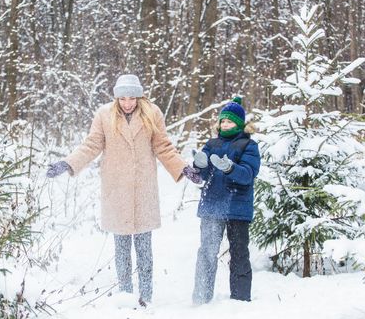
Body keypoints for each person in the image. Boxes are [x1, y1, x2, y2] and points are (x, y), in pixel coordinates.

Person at [46, 74, 201, 307]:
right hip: (116, 190)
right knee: (121, 251)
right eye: (123, 98)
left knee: (144, 250)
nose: (128, 103)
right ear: (116, 97)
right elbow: (92, 145)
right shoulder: (104, 115)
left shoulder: (152, 113)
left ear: (139, 96)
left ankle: (146, 298)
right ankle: (126, 297)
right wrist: (68, 163)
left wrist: (184, 168)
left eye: (132, 98)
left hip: (143, 189)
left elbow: (163, 146)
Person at [191, 97, 260, 305]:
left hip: (237, 207)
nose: (225, 125)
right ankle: (201, 298)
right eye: (222, 121)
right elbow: (201, 176)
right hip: (212, 206)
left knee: (239, 253)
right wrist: (199, 166)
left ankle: (240, 300)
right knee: (207, 252)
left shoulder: (249, 145)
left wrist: (230, 168)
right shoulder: (212, 143)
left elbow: (248, 174)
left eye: (229, 122)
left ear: (239, 124)